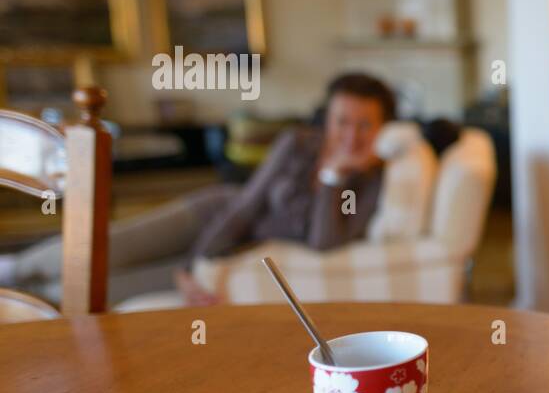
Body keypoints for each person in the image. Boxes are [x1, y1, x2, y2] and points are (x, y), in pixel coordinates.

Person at [1, 72, 395, 308]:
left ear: (384, 128)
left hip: (226, 253)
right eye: (343, 121)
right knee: (99, 246)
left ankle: (19, 300)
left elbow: (323, 243)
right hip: (213, 216)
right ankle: (13, 268)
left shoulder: (370, 180)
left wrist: (334, 178)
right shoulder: (296, 142)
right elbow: (246, 205)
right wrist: (192, 266)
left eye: (365, 125)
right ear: (327, 118)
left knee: (86, 286)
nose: (351, 135)